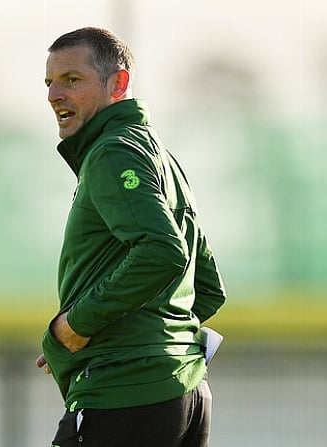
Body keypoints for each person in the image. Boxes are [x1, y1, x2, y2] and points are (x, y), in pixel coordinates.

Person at [34, 27, 227, 447]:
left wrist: (75, 327)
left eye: (72, 80)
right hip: (187, 394)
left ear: (118, 83)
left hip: (126, 396)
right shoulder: (158, 155)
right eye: (49, 82)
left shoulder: (112, 152)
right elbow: (207, 288)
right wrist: (117, 338)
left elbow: (163, 252)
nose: (53, 95)